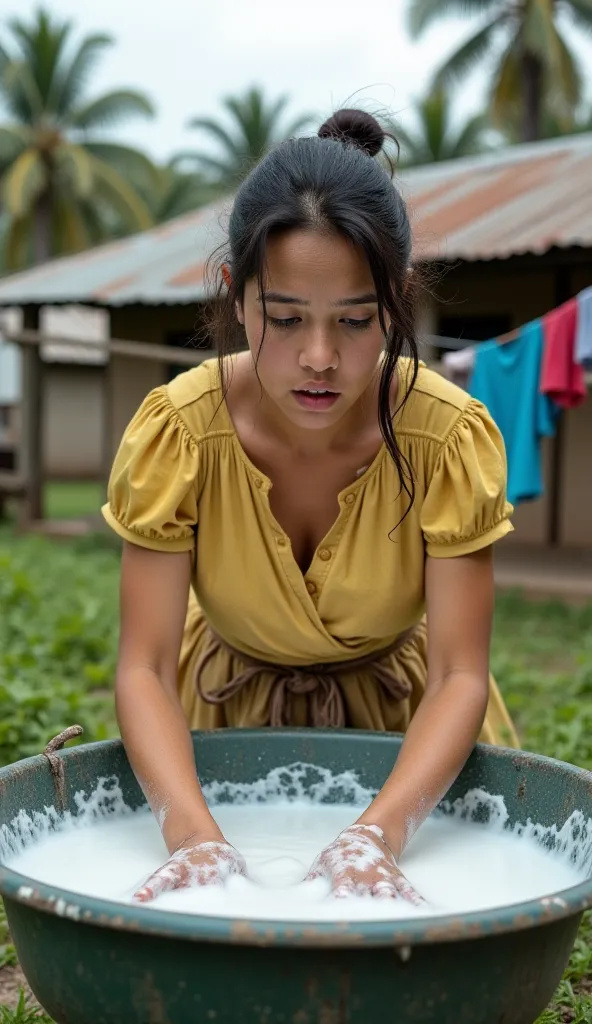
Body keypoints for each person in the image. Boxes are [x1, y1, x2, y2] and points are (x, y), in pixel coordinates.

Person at [102, 108, 519, 906]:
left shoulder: (446, 439)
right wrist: (195, 840)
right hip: (217, 730)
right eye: (285, 318)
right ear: (236, 293)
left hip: (408, 738)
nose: (319, 357)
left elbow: (460, 673)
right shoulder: (180, 433)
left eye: (356, 321)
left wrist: (378, 836)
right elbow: (145, 666)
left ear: (395, 304)